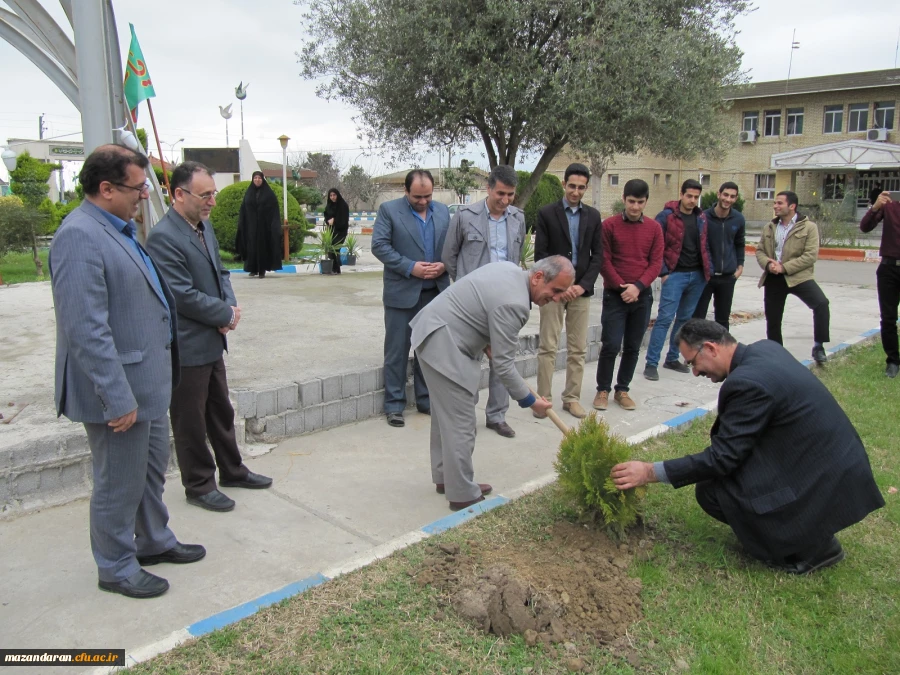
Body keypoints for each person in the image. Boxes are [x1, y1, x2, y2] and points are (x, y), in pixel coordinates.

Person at [49, 145, 204, 599]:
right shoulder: (79, 235)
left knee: (149, 473)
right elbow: (86, 329)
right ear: (106, 188)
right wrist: (116, 398)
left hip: (148, 384)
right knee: (118, 482)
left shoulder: (117, 228)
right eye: (138, 188)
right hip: (119, 391)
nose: (143, 197)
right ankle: (116, 564)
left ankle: (153, 540)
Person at [611, 319, 884, 575]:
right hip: (830, 461)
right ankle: (804, 533)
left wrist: (649, 471)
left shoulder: (747, 383)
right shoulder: (765, 349)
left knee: (714, 492)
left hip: (821, 476)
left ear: (710, 348)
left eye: (693, 362)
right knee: (724, 482)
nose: (695, 372)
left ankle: (811, 549)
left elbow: (722, 459)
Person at [146, 161, 273, 514]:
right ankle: (200, 485)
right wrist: (223, 315)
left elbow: (220, 273)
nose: (212, 202)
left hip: (212, 340)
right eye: (205, 195)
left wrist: (229, 309)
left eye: (213, 194)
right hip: (186, 346)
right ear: (179, 194)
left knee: (220, 411)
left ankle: (232, 470)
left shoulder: (203, 227)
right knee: (190, 419)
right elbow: (180, 294)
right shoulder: (164, 237)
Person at [411, 258, 572, 510]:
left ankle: (447, 479)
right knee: (462, 422)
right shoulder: (515, 304)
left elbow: (480, 307)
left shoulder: (508, 269)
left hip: (433, 331)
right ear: (538, 276)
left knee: (446, 417)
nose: (557, 298)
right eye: (556, 291)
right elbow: (504, 366)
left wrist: (489, 339)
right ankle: (462, 493)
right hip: (444, 345)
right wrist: (531, 402)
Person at [442, 165, 527, 438]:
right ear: (489, 188)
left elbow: (516, 256)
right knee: (469, 360)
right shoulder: (465, 217)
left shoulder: (518, 219)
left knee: (503, 358)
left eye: (510, 194)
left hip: (505, 304)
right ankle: (466, 414)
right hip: (474, 305)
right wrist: (465, 288)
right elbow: (449, 256)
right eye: (500, 193)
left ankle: (497, 416)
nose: (505, 200)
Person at [371, 170, 450, 427]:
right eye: (418, 197)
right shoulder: (389, 210)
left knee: (429, 350)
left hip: (434, 293)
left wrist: (444, 265)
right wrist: (410, 267)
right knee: (397, 351)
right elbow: (379, 246)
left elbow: (451, 246)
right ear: (406, 192)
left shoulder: (442, 211)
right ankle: (394, 405)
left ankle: (426, 400)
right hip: (401, 293)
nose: (424, 201)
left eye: (428, 196)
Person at [534, 162, 603, 420]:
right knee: (548, 346)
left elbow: (598, 257)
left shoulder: (594, 217)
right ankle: (543, 399)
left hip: (580, 292)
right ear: (564, 184)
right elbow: (541, 255)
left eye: (581, 187)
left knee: (578, 349)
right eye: (572, 186)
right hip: (553, 292)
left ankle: (571, 398)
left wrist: (581, 285)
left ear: (586, 188)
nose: (576, 192)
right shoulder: (547, 213)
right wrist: (557, 287)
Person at [594, 179, 664, 411]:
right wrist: (621, 286)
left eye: (640, 202)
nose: (635, 207)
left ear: (646, 202)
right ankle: (602, 390)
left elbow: (656, 263)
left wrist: (638, 287)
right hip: (615, 296)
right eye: (631, 201)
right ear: (623, 199)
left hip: (641, 297)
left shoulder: (654, 229)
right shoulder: (609, 226)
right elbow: (604, 260)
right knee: (611, 344)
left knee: (633, 346)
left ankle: (622, 389)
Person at [644, 179, 713, 381]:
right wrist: (664, 272)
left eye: (696, 197)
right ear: (681, 194)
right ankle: (651, 362)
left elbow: (705, 245)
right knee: (665, 318)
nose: (692, 200)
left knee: (684, 320)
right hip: (675, 275)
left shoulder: (701, 218)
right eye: (689, 196)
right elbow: (656, 246)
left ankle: (672, 357)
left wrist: (708, 269)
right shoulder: (666, 217)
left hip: (697, 276)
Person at [755, 190, 830, 365]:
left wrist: (785, 267)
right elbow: (759, 251)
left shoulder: (809, 227)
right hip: (774, 278)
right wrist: (768, 264)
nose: (775, 206)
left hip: (799, 277)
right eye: (775, 203)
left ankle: (819, 346)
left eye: (779, 203)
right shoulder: (769, 227)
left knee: (821, 304)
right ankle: (776, 354)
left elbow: (810, 255)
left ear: (792, 206)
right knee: (773, 318)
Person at [692, 182, 745, 331]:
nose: (728, 199)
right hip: (706, 276)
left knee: (722, 319)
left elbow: (739, 243)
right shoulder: (703, 217)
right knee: (698, 318)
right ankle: (697, 351)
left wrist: (740, 266)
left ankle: (722, 351)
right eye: (726, 195)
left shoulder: (738, 219)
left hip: (728, 277)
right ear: (719, 194)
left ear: (736, 198)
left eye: (732, 196)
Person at [860, 191, 900, 378]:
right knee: (888, 318)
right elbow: (865, 227)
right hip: (889, 268)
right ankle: (892, 361)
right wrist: (875, 207)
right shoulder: (889, 205)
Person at [235, 170, 283, 278]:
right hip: (251, 226)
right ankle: (252, 269)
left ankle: (262, 270)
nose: (257, 180)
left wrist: (273, 225)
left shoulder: (269, 194)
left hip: (264, 227)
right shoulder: (249, 192)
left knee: (263, 247)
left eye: (259, 178)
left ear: (263, 179)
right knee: (251, 247)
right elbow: (244, 209)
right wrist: (242, 223)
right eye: (255, 178)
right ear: (253, 180)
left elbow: (274, 210)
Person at [323, 187, 350, 275]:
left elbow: (344, 220)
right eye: (330, 195)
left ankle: (336, 268)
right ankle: (336, 269)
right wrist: (328, 221)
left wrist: (334, 220)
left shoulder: (343, 205)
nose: (332, 197)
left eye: (334, 195)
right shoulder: (329, 205)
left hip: (341, 231)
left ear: (337, 195)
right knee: (331, 248)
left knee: (335, 247)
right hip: (331, 231)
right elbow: (326, 216)